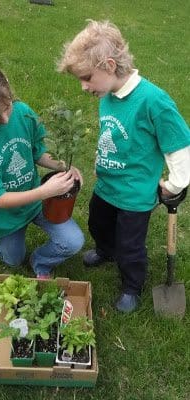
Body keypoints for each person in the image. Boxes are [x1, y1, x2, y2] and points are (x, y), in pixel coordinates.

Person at [57, 20, 190, 312]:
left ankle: (132, 285)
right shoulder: (107, 94)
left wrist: (176, 183)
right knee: (97, 222)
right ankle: (106, 250)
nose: (83, 86)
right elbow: (110, 134)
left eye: (87, 77)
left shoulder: (153, 100)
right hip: (107, 185)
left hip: (134, 195)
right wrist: (99, 160)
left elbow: (178, 144)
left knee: (131, 246)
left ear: (108, 65)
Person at [0, 61, 84, 279]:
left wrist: (63, 166)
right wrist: (46, 191)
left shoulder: (23, 113)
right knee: (13, 260)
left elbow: (37, 152)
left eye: (7, 106)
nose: (6, 119)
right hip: (5, 212)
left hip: (34, 200)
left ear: (8, 88)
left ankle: (40, 261)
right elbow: (0, 199)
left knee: (73, 242)